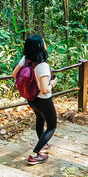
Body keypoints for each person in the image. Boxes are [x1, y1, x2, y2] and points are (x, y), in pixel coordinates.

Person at [12, 34, 56, 165]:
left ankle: (42, 145)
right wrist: (53, 83)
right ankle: (36, 154)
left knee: (40, 119)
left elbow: (14, 74)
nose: (45, 44)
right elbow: (44, 89)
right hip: (43, 100)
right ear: (39, 46)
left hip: (31, 98)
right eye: (43, 42)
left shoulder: (26, 59)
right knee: (52, 127)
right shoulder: (42, 66)